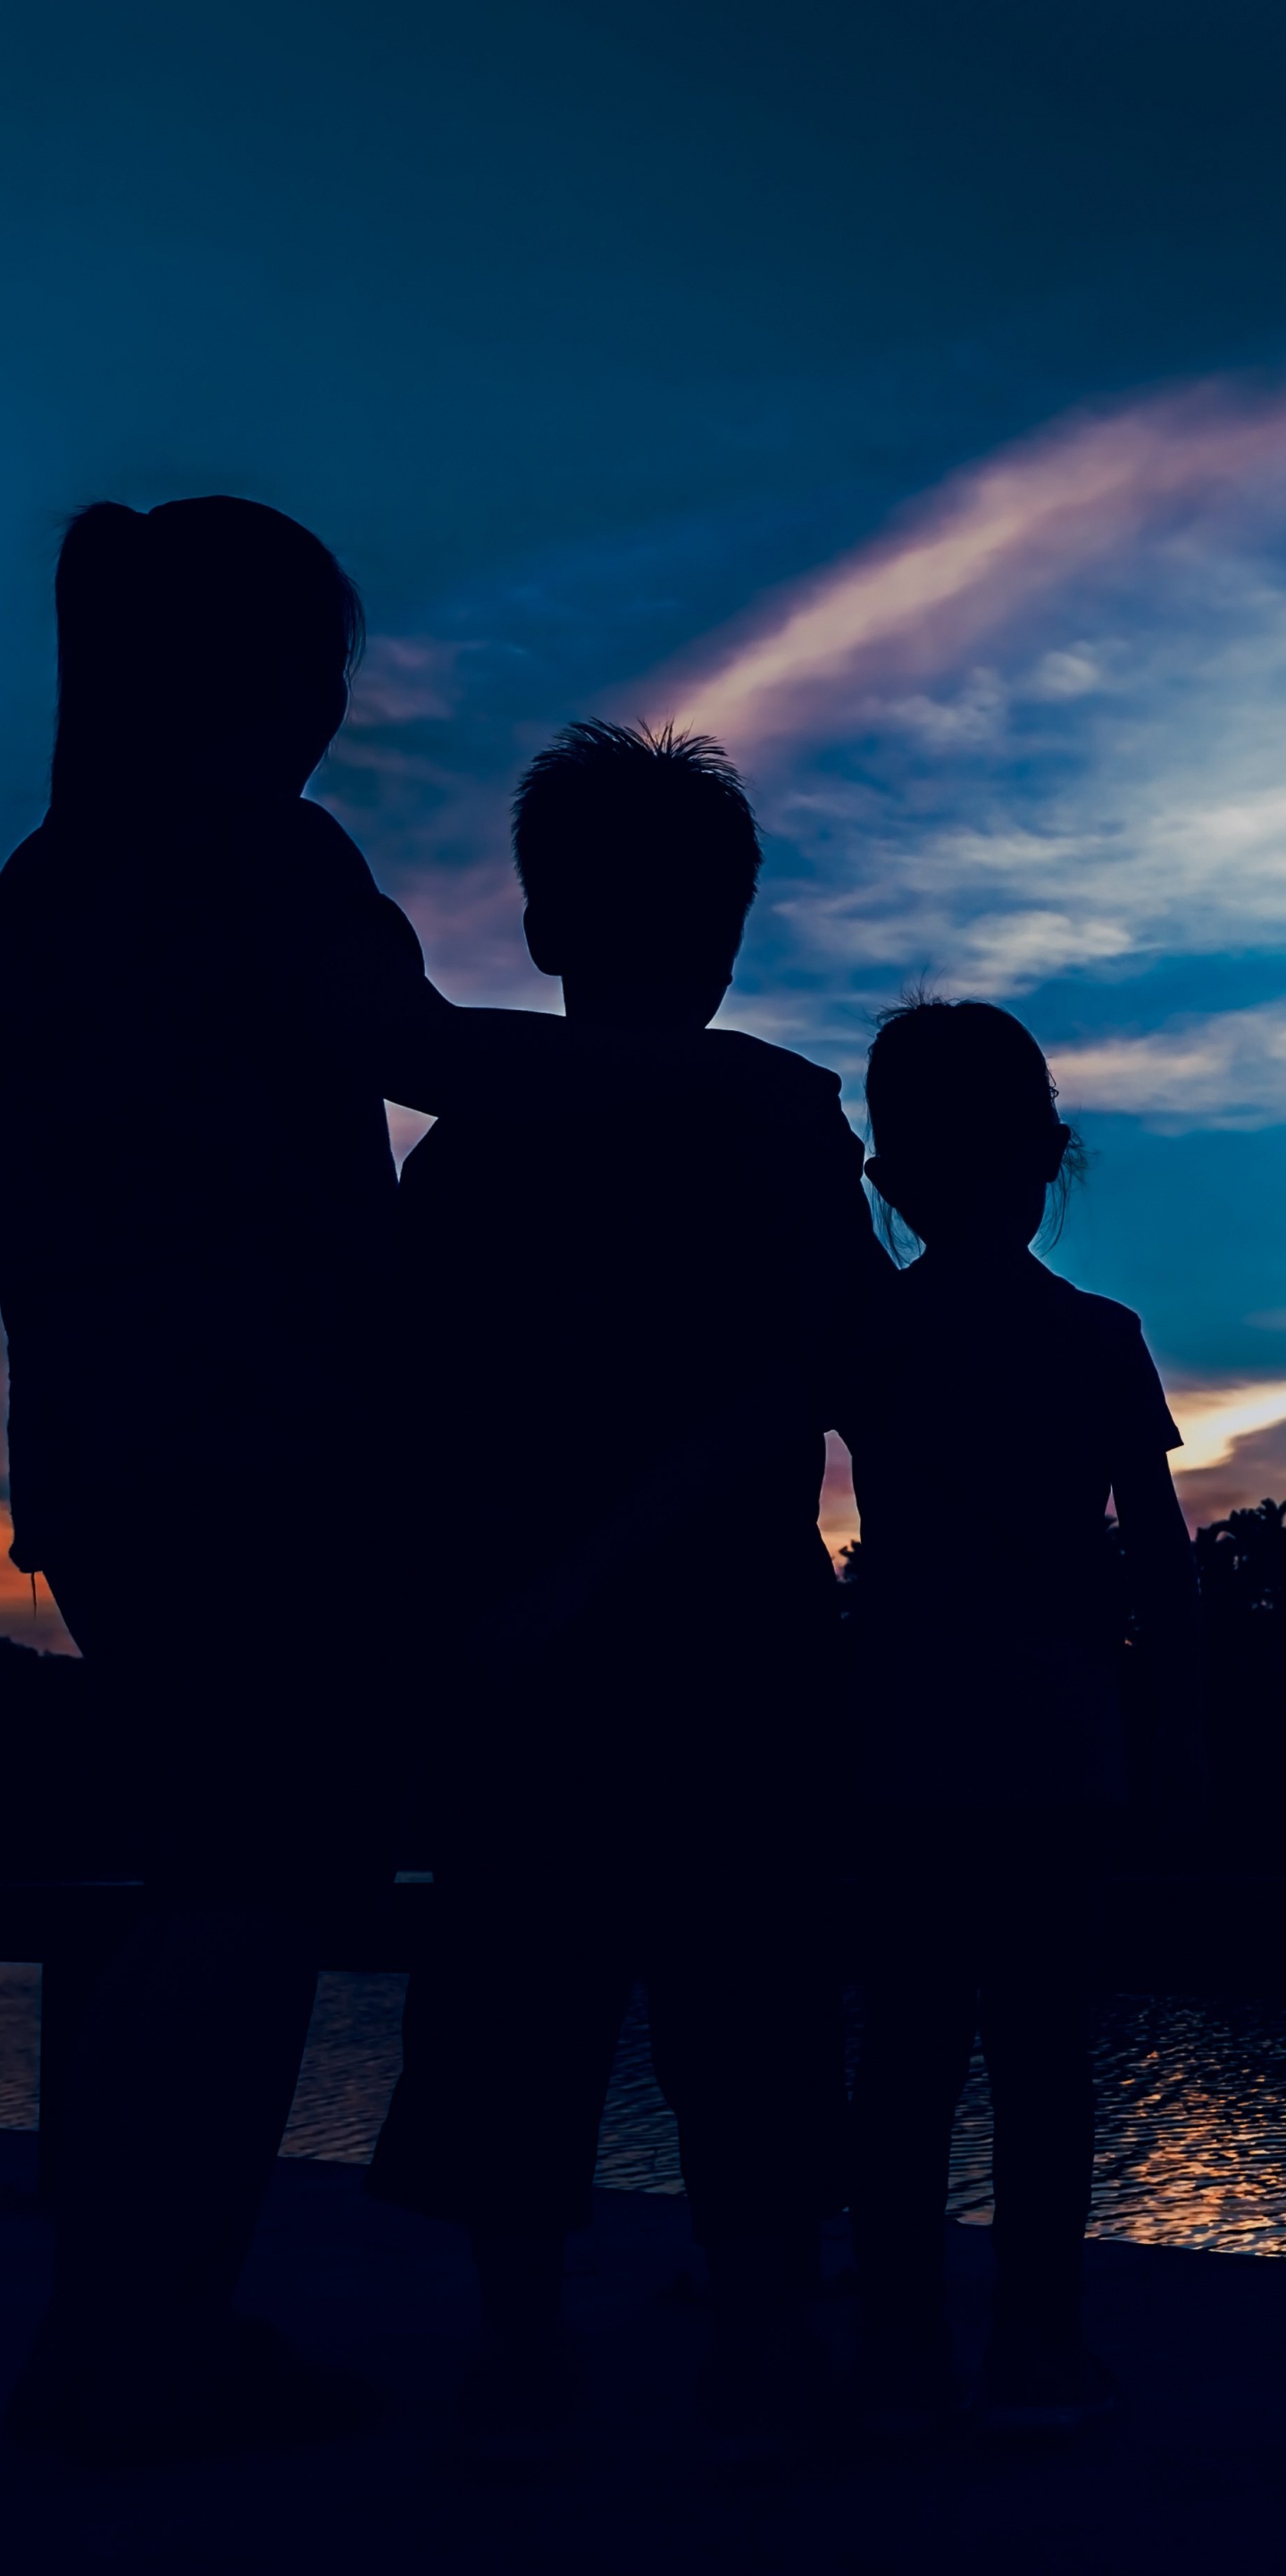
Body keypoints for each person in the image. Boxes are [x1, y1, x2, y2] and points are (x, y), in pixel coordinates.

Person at [0, 503, 831, 2464]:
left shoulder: (44, 889)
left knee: (216, 1876)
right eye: (324, 676)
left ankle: (130, 2324)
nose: (337, 711)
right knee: (255, 1886)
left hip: (107, 1464)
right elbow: (421, 1053)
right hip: (256, 1462)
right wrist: (730, 1080)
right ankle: (143, 2347)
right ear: (274, 682)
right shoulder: (260, 861)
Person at [372, 718, 882, 2469]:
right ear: (730, 933)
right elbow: (814, 1375)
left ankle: (525, 2354)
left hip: (524, 1650)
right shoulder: (782, 1117)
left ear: (537, 930)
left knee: (522, 2002)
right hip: (729, 1641)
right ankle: (752, 2345)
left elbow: (404, 1414)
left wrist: (511, 1592)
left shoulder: (461, 1159)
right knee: (750, 2002)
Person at [839, 994, 1203, 2439]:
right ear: (1045, 1157)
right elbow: (1165, 1565)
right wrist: (1183, 1740)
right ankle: (1040, 2349)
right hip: (1063, 1744)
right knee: (1046, 2064)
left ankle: (900, 2353)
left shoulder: (869, 1336)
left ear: (893, 1174)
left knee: (910, 2065)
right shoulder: (1100, 1339)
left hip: (908, 1741)